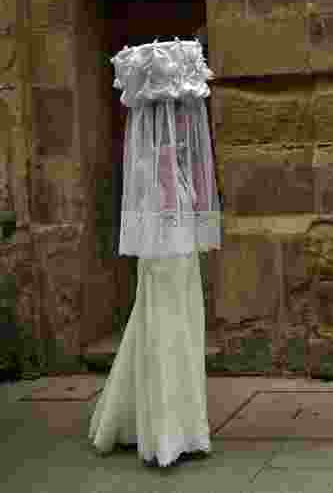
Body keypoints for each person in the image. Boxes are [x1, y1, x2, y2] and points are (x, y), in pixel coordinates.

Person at [89, 38, 221, 467]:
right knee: (163, 332)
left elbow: (189, 200)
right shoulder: (154, 162)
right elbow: (162, 212)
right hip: (164, 259)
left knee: (173, 330)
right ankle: (165, 433)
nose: (185, 124)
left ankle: (169, 424)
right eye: (179, 115)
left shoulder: (175, 161)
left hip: (178, 258)